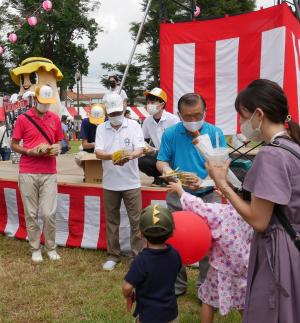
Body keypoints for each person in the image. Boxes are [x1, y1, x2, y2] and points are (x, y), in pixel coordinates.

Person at [205, 79, 300, 323]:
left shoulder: (271, 154)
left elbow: (259, 220)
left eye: (243, 116)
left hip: (279, 249)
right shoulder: (292, 146)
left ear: (258, 114)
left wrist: (223, 184)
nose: (242, 124)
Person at [156, 93, 227, 296]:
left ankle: (205, 287)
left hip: (208, 195)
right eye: (187, 117)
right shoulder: (170, 134)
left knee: (209, 241)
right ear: (179, 115)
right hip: (178, 194)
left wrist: (205, 182)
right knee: (175, 240)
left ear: (205, 112)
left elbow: (222, 167)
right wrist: (171, 175)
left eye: (197, 115)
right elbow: (161, 161)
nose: (193, 120)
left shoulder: (215, 133)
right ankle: (178, 286)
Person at [168, 180, 253, 322]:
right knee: (243, 303)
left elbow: (199, 206)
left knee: (208, 300)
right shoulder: (255, 216)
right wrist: (228, 196)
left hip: (220, 270)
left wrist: (180, 190)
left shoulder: (222, 213)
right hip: (243, 268)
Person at [11, 85, 63, 263]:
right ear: (35, 99)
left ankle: (51, 247)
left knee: (49, 213)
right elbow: (14, 144)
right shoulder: (22, 119)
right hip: (28, 170)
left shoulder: (55, 118)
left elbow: (60, 141)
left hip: (49, 171)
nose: (46, 106)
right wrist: (29, 151)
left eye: (48, 103)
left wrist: (56, 148)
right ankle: (35, 247)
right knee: (31, 213)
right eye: (43, 102)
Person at [95, 93, 145, 271]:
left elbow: (140, 148)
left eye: (118, 112)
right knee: (111, 220)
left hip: (131, 182)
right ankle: (113, 255)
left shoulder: (133, 125)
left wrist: (130, 155)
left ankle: (138, 255)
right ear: (106, 112)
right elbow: (98, 152)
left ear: (124, 107)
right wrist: (114, 156)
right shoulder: (101, 128)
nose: (116, 116)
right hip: (110, 182)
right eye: (112, 113)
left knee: (137, 220)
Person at [122, 204, 181, 323]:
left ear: (142, 234)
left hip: (148, 316)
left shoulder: (141, 260)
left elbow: (127, 287)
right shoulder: (175, 254)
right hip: (171, 314)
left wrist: (128, 295)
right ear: (171, 233)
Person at [138, 87, 179, 187]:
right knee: (142, 162)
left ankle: (172, 177)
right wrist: (146, 147)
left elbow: (179, 142)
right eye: (148, 102)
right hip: (158, 155)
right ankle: (160, 178)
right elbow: (144, 139)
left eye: (153, 102)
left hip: (174, 156)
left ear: (162, 104)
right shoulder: (147, 121)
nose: (149, 105)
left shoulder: (173, 120)